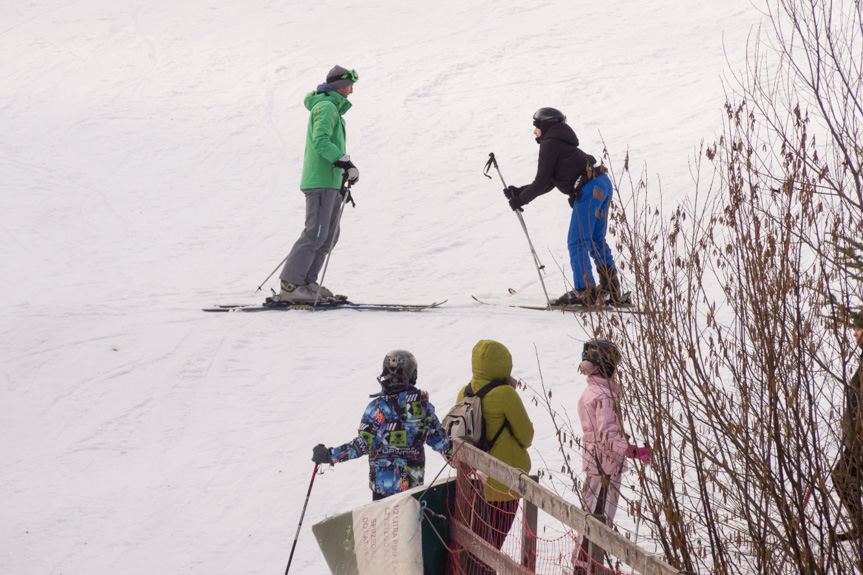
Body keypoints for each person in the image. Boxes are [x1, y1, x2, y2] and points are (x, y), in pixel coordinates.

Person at [505, 108, 625, 307]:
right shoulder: (561, 142)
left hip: (589, 189)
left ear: (545, 125)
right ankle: (610, 290)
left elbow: (543, 180)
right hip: (602, 183)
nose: (534, 131)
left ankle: (585, 292)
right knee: (595, 240)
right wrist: (520, 192)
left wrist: (521, 200)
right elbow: (551, 182)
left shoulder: (550, 143)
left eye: (536, 126)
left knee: (576, 241)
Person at [311, 350, 452, 500]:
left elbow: (362, 445)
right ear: (413, 375)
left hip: (383, 490)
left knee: (387, 523)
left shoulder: (379, 408)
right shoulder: (424, 408)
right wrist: (464, 460)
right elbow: (442, 442)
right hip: (413, 489)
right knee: (406, 523)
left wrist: (330, 455)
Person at [274, 65, 360, 304]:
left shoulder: (334, 109)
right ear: (340, 86)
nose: (352, 91)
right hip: (320, 181)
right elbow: (320, 141)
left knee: (329, 235)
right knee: (315, 234)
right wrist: (344, 162)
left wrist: (341, 178)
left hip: (330, 182)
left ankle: (307, 282)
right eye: (350, 85)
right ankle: (291, 285)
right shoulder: (326, 106)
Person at [456, 339, 534, 574]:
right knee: (493, 546)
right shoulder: (505, 394)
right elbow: (526, 436)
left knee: (477, 543)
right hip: (504, 484)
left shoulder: (465, 391)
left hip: (474, 481)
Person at [572, 338, 650, 574]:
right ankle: (587, 567)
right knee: (599, 515)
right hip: (605, 465)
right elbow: (607, 434)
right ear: (608, 367)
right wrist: (634, 451)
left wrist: (623, 438)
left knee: (592, 511)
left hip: (595, 460)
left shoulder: (592, 390)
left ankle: (585, 563)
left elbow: (604, 429)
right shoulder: (605, 395)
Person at [832, 310, 863, 542]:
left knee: (843, 477)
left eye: (859, 328)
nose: (854, 333)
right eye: (854, 328)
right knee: (841, 477)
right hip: (856, 441)